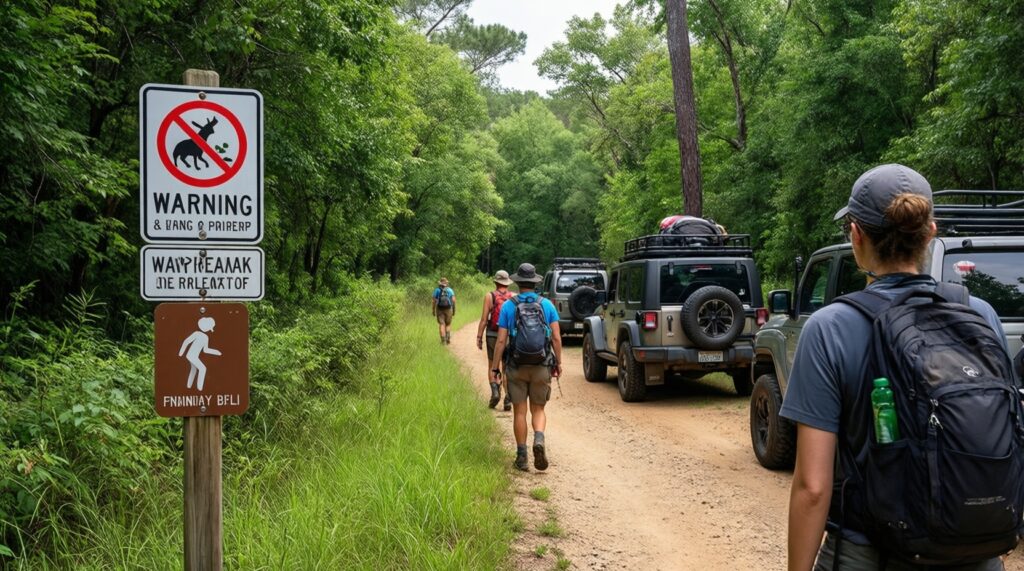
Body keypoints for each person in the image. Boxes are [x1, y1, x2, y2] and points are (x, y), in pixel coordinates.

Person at [781, 164, 1008, 571]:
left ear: (856, 236)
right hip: (975, 553)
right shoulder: (980, 314)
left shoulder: (830, 328)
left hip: (869, 556)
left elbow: (813, 488)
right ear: (930, 232)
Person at [489, 263, 562, 471]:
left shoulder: (508, 306)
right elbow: (556, 337)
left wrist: (495, 368)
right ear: (535, 282)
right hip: (541, 365)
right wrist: (559, 362)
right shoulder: (547, 305)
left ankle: (522, 457)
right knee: (538, 409)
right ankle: (538, 439)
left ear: (518, 283)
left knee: (519, 412)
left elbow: (501, 341)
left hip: (516, 365)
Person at [477, 270, 515, 410]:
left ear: (495, 282)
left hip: (493, 334)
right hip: (510, 336)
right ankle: (507, 398)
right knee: (506, 367)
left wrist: (479, 336)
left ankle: (494, 392)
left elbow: (483, 319)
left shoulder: (490, 296)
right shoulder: (513, 297)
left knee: (492, 365)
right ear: (507, 282)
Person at [432, 278, 456, 344]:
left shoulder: (437, 290)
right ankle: (448, 338)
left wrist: (433, 310)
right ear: (446, 283)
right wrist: (453, 310)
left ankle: (443, 341)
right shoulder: (450, 290)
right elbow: (453, 300)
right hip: (449, 309)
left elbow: (434, 301)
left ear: (440, 283)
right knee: (448, 324)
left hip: (440, 309)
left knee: (442, 324)